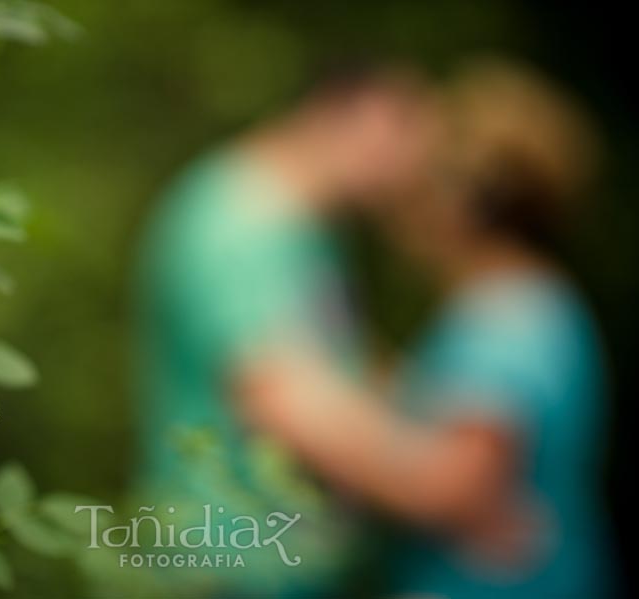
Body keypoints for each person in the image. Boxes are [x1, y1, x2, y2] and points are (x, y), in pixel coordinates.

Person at [241, 60, 615, 598]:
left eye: (420, 186)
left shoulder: (503, 322)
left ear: (463, 203)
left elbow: (454, 490)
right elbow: (446, 416)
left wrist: (298, 415)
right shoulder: (528, 303)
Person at [131, 66, 439, 597]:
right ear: (341, 113)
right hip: (229, 566)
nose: (410, 167)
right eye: (403, 134)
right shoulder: (240, 221)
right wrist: (449, 494)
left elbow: (344, 364)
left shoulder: (306, 226)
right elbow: (284, 400)